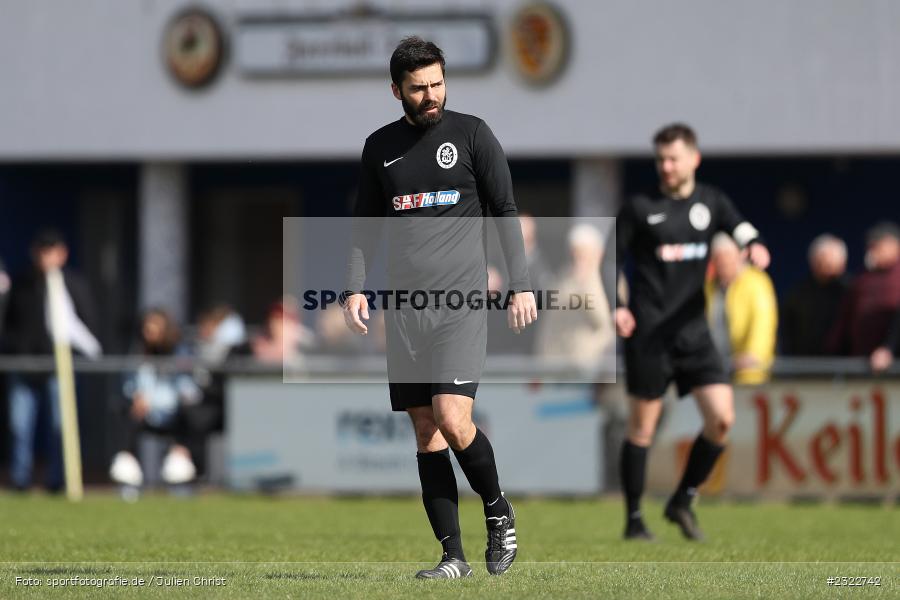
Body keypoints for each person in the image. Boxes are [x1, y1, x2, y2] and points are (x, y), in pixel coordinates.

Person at [341, 37, 536, 579]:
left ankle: (497, 508)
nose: (431, 95)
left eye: (437, 84)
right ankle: (453, 558)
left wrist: (520, 284)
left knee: (452, 416)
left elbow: (504, 210)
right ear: (396, 90)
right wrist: (354, 287)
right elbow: (365, 226)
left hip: (460, 304)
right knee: (425, 429)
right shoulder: (379, 147)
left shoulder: (473, 135)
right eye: (418, 88)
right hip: (405, 312)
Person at [612, 124, 770, 541]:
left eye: (673, 159)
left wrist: (753, 244)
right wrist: (618, 305)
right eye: (660, 159)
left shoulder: (711, 201)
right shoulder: (640, 207)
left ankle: (682, 499)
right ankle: (633, 519)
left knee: (722, 419)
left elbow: (739, 226)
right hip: (649, 334)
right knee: (642, 428)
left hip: (694, 334)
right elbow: (610, 260)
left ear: (694, 159)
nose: (666, 166)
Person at [3, 229, 101, 492]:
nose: (46, 257)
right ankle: (20, 479)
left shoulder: (74, 284)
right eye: (42, 252)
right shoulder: (22, 284)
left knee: (61, 425)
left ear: (62, 254)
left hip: (60, 367)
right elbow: (9, 322)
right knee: (19, 425)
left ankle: (57, 479)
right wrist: (17, 349)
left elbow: (85, 324)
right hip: (24, 366)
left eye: (51, 251)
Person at [109, 308, 201, 488]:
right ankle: (127, 460)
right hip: (145, 413)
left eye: (155, 327)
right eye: (147, 327)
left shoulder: (180, 352)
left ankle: (180, 456)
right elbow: (130, 382)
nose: (149, 332)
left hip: (174, 413)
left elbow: (187, 389)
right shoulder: (138, 353)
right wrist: (137, 396)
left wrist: (154, 401)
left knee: (193, 412)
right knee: (122, 408)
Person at [705, 233, 778, 384]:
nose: (723, 263)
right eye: (718, 258)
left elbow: (763, 323)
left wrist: (754, 355)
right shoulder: (709, 287)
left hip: (748, 371)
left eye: (727, 257)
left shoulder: (756, 282)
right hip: (714, 368)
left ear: (739, 256)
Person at [827, 222, 900, 359]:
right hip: (860, 360)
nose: (872, 250)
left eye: (878, 245)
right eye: (870, 246)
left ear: (895, 245)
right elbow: (844, 320)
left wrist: (888, 348)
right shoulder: (862, 280)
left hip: (892, 362)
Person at [780, 234, 849, 356]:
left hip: (846, 362)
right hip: (804, 362)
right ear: (813, 261)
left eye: (833, 261)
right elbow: (786, 332)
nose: (828, 265)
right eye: (824, 260)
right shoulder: (798, 294)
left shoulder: (851, 292)